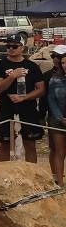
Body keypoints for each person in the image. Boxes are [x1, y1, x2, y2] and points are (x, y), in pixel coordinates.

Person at [0, 35, 45, 164]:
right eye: (8, 46)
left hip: (28, 109)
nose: (11, 49)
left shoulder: (32, 66)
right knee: (5, 144)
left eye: (14, 46)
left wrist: (24, 98)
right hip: (7, 109)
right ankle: (4, 175)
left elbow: (41, 89)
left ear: (22, 48)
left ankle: (32, 176)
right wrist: (12, 76)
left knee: (30, 144)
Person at [44, 45, 66, 186]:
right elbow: (51, 99)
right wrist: (60, 118)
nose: (63, 64)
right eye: (63, 62)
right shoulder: (53, 79)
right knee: (59, 152)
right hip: (58, 120)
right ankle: (60, 184)